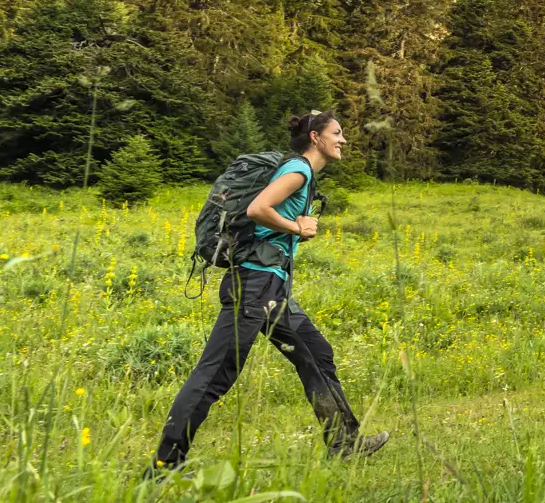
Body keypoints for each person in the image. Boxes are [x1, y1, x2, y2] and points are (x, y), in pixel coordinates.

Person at [147, 111, 388, 474]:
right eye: (336, 133)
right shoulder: (299, 170)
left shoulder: (303, 174)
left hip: (273, 288)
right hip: (254, 286)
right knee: (215, 373)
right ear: (315, 137)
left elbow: (267, 222)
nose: (342, 140)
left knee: (317, 354)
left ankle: (344, 443)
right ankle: (166, 465)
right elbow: (257, 208)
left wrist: (293, 230)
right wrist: (297, 228)